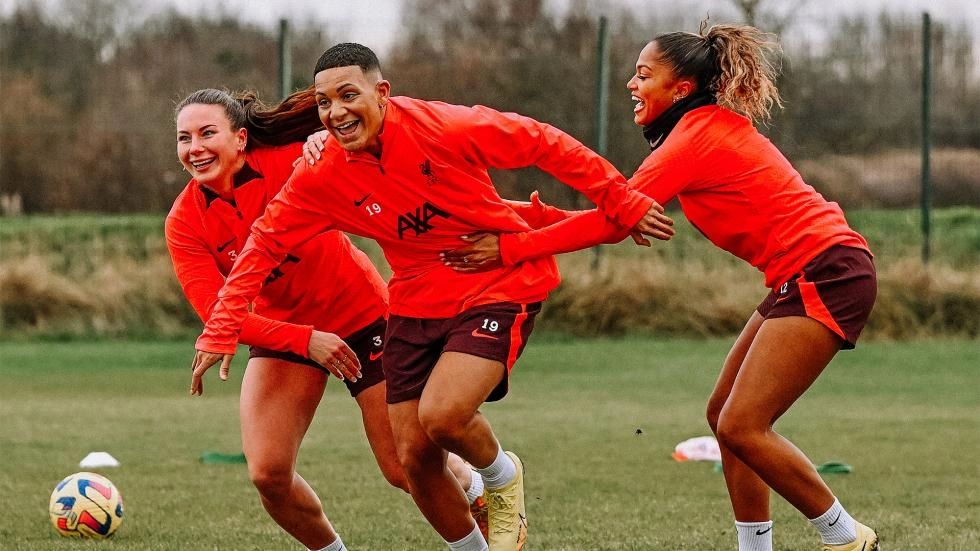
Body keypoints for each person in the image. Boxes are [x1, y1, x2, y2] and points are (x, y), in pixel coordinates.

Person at [189, 43, 674, 551]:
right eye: (325, 103)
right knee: (413, 462)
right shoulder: (319, 172)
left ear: (382, 93)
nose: (336, 112)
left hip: (497, 285)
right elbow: (265, 242)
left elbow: (543, 143)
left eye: (348, 95)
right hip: (414, 304)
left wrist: (620, 200)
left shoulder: (443, 127)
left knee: (443, 415)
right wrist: (221, 330)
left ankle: (503, 476)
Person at [441, 22, 880, 551]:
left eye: (644, 73)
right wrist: (528, 220)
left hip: (828, 270)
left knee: (743, 425)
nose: (631, 83)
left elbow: (614, 220)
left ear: (682, 90)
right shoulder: (694, 132)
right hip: (809, 272)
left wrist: (511, 247)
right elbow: (619, 211)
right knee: (724, 419)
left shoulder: (694, 136)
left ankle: (846, 537)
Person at [168, 87, 492, 551]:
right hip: (289, 335)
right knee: (268, 474)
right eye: (184, 139)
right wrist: (306, 341)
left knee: (404, 467)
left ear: (241, 139)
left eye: (207, 133)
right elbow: (220, 315)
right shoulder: (185, 221)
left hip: (363, 315)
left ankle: (477, 496)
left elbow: (363, 136)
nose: (194, 147)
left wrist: (323, 139)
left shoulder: (292, 162)